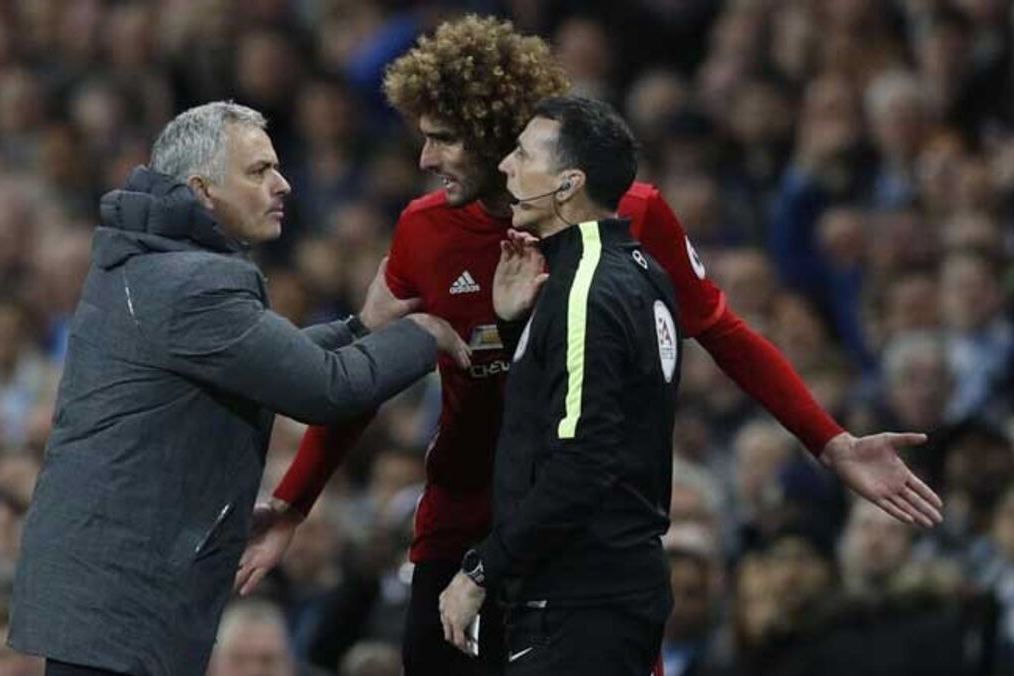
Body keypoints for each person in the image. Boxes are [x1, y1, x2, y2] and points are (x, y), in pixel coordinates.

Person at [237, 16, 943, 675]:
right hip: (461, 523)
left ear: (500, 140)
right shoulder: (423, 230)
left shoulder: (628, 218)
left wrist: (830, 442)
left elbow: (723, 333)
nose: (424, 159)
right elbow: (364, 376)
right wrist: (294, 505)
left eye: (443, 138)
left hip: (581, 546)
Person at [7, 101, 470, 676]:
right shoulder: (193, 282)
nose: (283, 184)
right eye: (258, 171)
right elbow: (326, 389)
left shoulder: (153, 261)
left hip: (103, 592)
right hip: (124, 602)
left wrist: (361, 328)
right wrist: (423, 333)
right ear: (202, 191)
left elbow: (266, 359)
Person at [438, 95, 682, 675]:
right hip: (613, 591)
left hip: (578, 602)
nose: (505, 166)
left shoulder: (584, 291)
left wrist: (481, 570)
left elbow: (581, 463)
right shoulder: (640, 269)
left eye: (524, 154)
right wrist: (514, 326)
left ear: (568, 183)